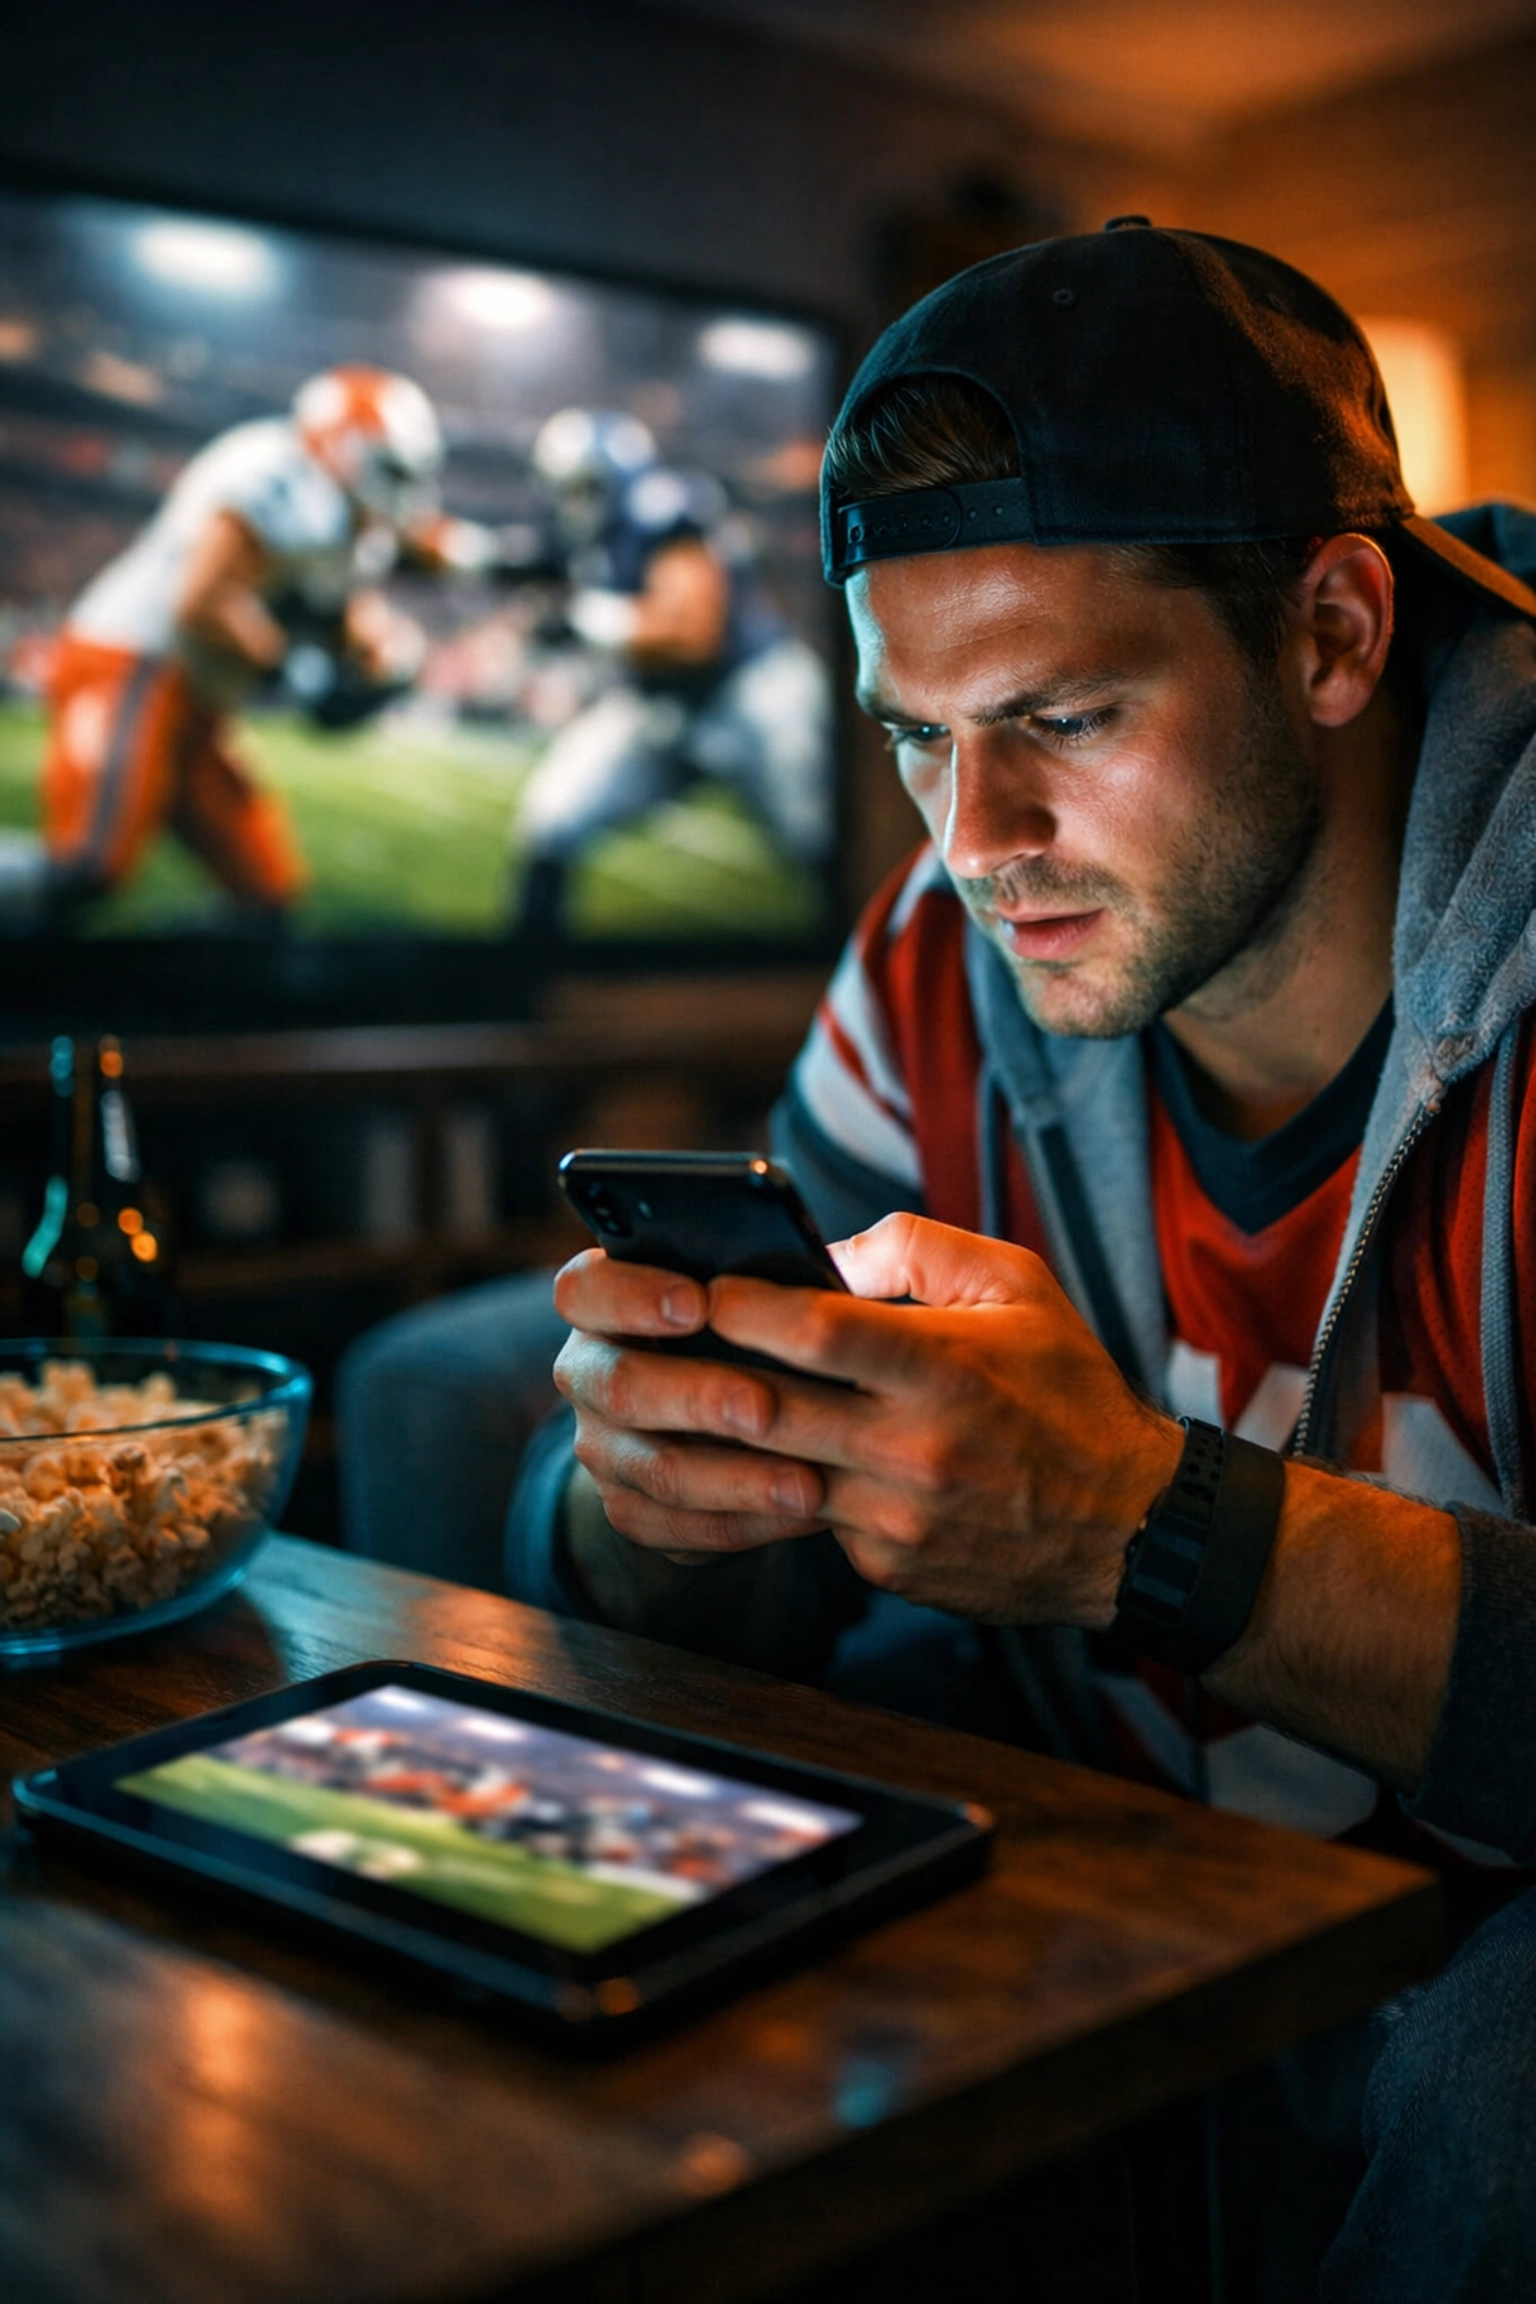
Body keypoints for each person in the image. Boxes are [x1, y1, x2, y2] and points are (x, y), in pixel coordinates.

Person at [343, 224, 1536, 2295]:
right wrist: (665, 1506)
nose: (973, 838)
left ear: (1336, 632)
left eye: (1062, 715)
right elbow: (658, 1590)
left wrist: (1150, 1535)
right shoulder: (938, 963)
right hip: (1141, 1892)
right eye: (916, 734)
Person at [40, 364, 472, 912]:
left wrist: (382, 659)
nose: (402, 491)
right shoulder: (271, 474)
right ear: (339, 447)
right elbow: (201, 603)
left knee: (266, 898)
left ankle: (167, 996)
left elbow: (335, 606)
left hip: (197, 701)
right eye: (390, 468)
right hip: (132, 663)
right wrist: (300, 673)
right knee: (85, 870)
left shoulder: (344, 516)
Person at [510, 406, 830, 935]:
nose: (573, 503)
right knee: (551, 820)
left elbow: (692, 635)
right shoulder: (596, 539)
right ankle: (527, 979)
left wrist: (583, 620)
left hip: (750, 696)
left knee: (820, 843)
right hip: (661, 705)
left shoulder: (663, 509)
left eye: (584, 487)